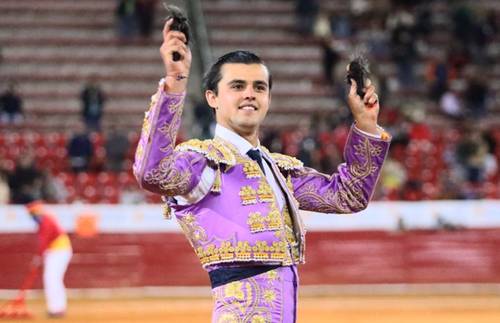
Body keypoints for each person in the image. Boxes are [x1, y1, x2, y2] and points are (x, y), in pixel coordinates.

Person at [133, 19, 391, 322]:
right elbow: (152, 173)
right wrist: (175, 81)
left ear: (268, 98)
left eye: (259, 87)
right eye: (237, 86)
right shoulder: (202, 164)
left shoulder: (278, 170)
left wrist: (366, 123)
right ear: (212, 98)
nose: (250, 94)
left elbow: (348, 196)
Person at [26, 200, 72, 318]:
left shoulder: (46, 221)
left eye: (33, 214)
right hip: (57, 251)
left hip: (58, 251)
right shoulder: (46, 220)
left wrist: (38, 258)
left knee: (52, 279)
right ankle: (57, 307)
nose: (32, 217)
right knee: (54, 279)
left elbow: (43, 242)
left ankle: (56, 308)